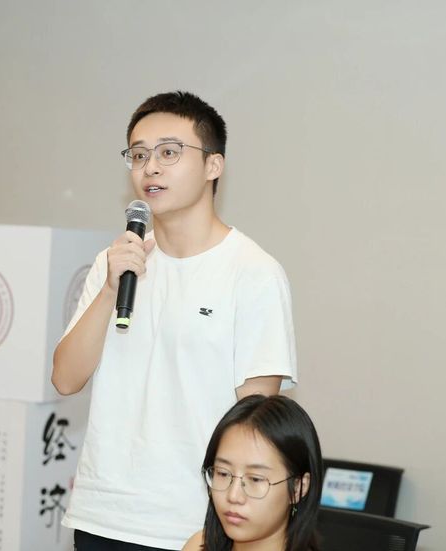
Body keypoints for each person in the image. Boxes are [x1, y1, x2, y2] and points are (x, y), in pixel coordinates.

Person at [52, 91, 298, 550]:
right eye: (138, 155)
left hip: (194, 523)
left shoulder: (253, 273)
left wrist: (221, 526)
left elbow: (255, 423)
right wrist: (109, 289)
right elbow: (65, 379)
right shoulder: (113, 263)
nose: (150, 167)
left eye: (169, 153)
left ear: (213, 165)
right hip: (104, 516)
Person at [182, 394, 323, 551]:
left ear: (297, 488)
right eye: (223, 474)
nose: (233, 496)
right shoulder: (197, 546)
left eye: (255, 479)